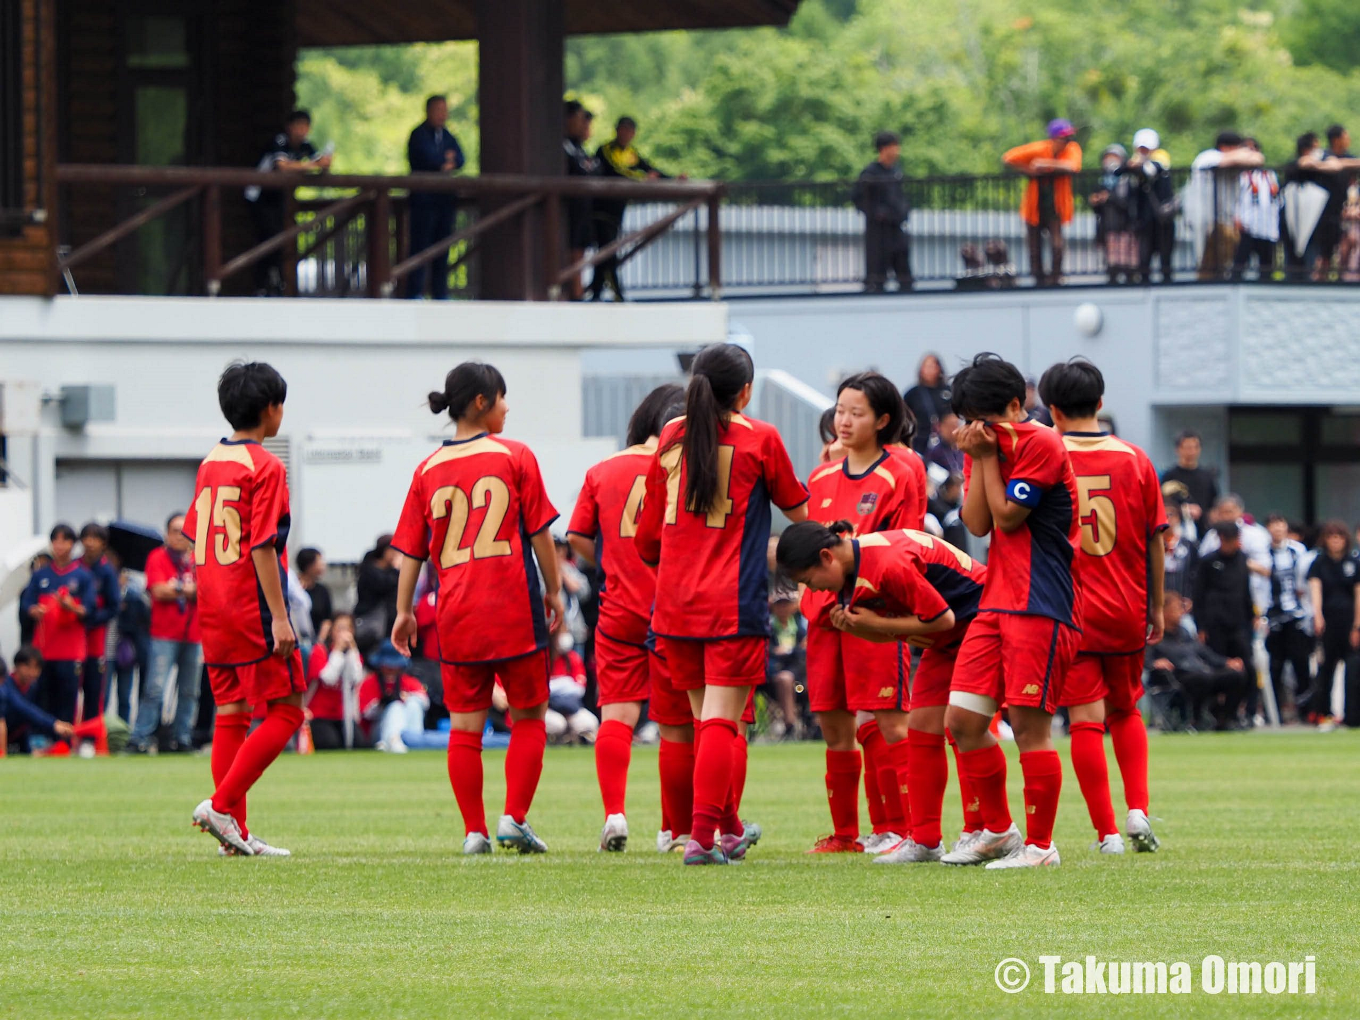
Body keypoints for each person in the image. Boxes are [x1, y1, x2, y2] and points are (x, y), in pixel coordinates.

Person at [634, 343, 809, 865]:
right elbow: (798, 511)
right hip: (731, 601)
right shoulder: (761, 437)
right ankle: (702, 838)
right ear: (746, 392)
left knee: (704, 720)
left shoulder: (671, 434)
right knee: (721, 723)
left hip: (674, 601)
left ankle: (728, 829)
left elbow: (647, 537)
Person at [390, 362, 564, 855]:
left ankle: (474, 831)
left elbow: (412, 552)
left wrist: (404, 611)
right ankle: (514, 817)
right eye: (503, 398)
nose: (508, 407)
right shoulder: (516, 455)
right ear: (482, 402)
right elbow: (540, 534)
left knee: (465, 727)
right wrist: (554, 589)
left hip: (457, 614)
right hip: (513, 608)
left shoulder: (427, 470)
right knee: (529, 714)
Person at [942, 353, 1082, 869]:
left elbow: (1007, 517)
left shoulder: (1041, 442)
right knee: (962, 721)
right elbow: (977, 523)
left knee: (1028, 727)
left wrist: (982, 458)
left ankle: (1042, 847)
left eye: (986, 416)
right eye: (969, 418)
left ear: (1016, 405)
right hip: (997, 599)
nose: (977, 427)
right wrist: (980, 456)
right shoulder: (981, 445)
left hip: (1041, 601)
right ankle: (999, 831)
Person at [777, 521, 986, 864]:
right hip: (947, 639)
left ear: (827, 557)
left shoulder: (887, 563)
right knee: (921, 729)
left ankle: (995, 830)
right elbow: (896, 632)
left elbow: (942, 618)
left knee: (969, 726)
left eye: (809, 581)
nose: (813, 590)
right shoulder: (852, 575)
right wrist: (862, 628)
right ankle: (926, 840)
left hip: (980, 622)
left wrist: (874, 625)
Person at [1040, 358, 1167, 855]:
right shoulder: (1135, 459)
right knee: (1126, 708)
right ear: (1100, 402)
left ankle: (1107, 833)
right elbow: (1155, 539)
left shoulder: (1045, 456)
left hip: (1069, 607)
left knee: (1085, 720)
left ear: (1052, 410)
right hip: (1126, 605)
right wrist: (1156, 606)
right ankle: (1138, 808)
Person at [800, 373, 921, 854]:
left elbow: (905, 549)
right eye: (840, 411)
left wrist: (864, 601)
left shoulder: (900, 472)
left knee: (890, 723)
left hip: (873, 617)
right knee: (835, 727)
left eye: (857, 413)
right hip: (823, 618)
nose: (844, 421)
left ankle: (908, 830)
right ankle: (845, 835)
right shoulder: (820, 478)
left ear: (883, 420)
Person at [186, 362, 303, 858]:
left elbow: (195, 534)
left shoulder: (210, 462)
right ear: (271, 409)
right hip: (249, 604)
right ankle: (221, 807)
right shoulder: (266, 465)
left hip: (213, 605)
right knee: (289, 708)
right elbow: (262, 545)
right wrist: (280, 616)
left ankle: (234, 835)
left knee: (232, 713)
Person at [567, 384, 687, 852]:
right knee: (677, 725)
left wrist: (611, 560)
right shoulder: (685, 464)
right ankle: (674, 827)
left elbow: (577, 536)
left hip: (619, 608)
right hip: (673, 608)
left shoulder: (603, 469)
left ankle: (615, 814)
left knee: (616, 716)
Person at [128, 513, 201, 754]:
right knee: (155, 688)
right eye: (175, 531)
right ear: (167, 534)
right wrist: (187, 589)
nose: (180, 536)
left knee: (190, 690)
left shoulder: (197, 559)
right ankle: (140, 736)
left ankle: (182, 737)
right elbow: (158, 591)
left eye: (184, 531)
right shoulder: (157, 557)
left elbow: (207, 591)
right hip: (164, 634)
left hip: (194, 634)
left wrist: (177, 589)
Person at [245, 109, 331, 296]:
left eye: (305, 126)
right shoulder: (280, 141)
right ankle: (263, 284)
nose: (302, 131)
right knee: (268, 237)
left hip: (279, 197)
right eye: (298, 126)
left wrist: (324, 163)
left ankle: (276, 283)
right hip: (258, 195)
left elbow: (318, 162)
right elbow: (282, 166)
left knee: (281, 238)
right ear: (289, 127)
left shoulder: (305, 145)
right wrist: (312, 166)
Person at [20, 523, 95, 724]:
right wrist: (34, 610)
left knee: (67, 699)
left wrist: (70, 606)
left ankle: (65, 737)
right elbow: (27, 604)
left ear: (73, 544)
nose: (60, 545)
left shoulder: (83, 576)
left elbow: (89, 610)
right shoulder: (40, 575)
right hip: (43, 649)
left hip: (70, 650)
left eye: (65, 540)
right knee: (42, 697)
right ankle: (42, 737)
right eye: (56, 540)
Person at [591, 116, 673, 301]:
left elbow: (649, 168)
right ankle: (616, 294)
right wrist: (642, 179)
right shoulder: (605, 150)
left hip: (618, 209)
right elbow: (615, 171)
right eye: (623, 129)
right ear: (616, 130)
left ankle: (596, 292)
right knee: (608, 249)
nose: (626, 134)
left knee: (606, 250)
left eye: (629, 131)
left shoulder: (631, 154)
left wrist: (672, 179)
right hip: (601, 208)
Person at [1146, 592, 1253, 730]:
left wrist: (1226, 662)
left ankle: (1225, 718)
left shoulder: (1184, 633)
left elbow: (1204, 652)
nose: (1181, 612)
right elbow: (1145, 660)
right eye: (1177, 608)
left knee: (1236, 675)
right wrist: (1155, 663)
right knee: (1201, 679)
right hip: (1176, 677)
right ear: (1164, 611)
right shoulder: (1154, 637)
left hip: (1201, 672)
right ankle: (1195, 719)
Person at [1003, 119, 1083, 287]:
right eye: (1064, 138)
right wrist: (1029, 170)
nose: (1068, 141)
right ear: (1053, 138)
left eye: (1069, 138)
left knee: (1057, 244)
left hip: (1056, 207)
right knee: (1034, 246)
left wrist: (1045, 164)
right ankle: (1038, 278)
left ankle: (1055, 277)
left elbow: (1073, 166)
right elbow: (1008, 157)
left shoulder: (1072, 149)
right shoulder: (1040, 148)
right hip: (1035, 206)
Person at [1193, 521, 1257, 724]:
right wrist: (1201, 626)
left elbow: (1246, 591)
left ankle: (1243, 712)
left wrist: (1252, 616)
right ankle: (1216, 712)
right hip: (1215, 625)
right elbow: (1199, 595)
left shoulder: (1242, 560)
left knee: (1248, 668)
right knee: (1218, 668)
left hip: (1238, 624)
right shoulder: (1208, 562)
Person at [406, 95, 465, 300]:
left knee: (442, 248)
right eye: (438, 110)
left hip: (444, 200)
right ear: (428, 111)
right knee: (420, 247)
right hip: (423, 201)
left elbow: (460, 158)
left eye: (445, 110)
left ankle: (440, 293)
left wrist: (447, 162)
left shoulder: (447, 136)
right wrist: (444, 161)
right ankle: (415, 292)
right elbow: (428, 158)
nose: (442, 114)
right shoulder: (418, 135)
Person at [1302, 522, 1360, 724]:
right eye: (1331, 537)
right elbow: (1315, 590)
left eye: (1339, 537)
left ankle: (1352, 715)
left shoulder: (1353, 563)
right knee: (1325, 668)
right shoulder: (1319, 563)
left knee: (1353, 669)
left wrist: (1357, 625)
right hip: (1328, 621)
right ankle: (1322, 713)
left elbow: (1358, 594)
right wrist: (1317, 616)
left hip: (1348, 621)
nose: (1335, 541)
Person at [1189, 131, 1264, 280]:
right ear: (1225, 147)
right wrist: (1245, 153)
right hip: (1204, 217)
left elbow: (1258, 159)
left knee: (1223, 260)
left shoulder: (1236, 161)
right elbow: (1231, 160)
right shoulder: (1208, 156)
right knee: (1205, 259)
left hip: (1225, 219)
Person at [1264, 513, 1312, 720]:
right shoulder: (1263, 553)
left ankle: (1306, 711)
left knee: (1301, 663)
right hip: (1273, 616)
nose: (1277, 528)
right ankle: (1275, 713)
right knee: (1275, 665)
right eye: (1273, 525)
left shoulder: (1298, 551)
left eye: (1280, 523)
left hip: (1297, 614)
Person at [852, 130, 913, 294]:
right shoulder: (870, 173)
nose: (897, 151)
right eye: (894, 147)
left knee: (905, 274)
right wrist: (877, 213)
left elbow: (900, 196)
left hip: (896, 228)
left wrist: (904, 211)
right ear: (884, 149)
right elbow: (858, 198)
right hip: (878, 232)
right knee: (877, 276)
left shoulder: (896, 172)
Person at [77, 523, 119, 724]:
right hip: (72, 637)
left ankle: (90, 733)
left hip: (95, 639)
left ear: (103, 543)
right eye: (86, 538)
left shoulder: (107, 571)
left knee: (93, 689)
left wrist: (90, 619)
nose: (90, 543)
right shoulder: (74, 566)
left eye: (95, 538)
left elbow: (113, 607)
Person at [306, 612, 365, 750]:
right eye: (340, 628)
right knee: (330, 743)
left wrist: (352, 651)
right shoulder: (320, 651)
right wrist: (338, 651)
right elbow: (329, 678)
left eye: (348, 628)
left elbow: (356, 678)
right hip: (320, 714)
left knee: (360, 744)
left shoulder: (353, 654)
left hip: (344, 715)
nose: (344, 633)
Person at [359, 641, 430, 753]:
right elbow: (365, 714)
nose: (391, 669)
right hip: (378, 731)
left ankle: (414, 741)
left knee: (413, 704)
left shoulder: (408, 681)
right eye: (387, 665)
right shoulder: (369, 683)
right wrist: (381, 704)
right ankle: (393, 741)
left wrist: (406, 697)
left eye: (394, 665)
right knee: (395, 707)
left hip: (406, 727)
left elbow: (425, 702)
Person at [2, 648, 76, 753]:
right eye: (28, 666)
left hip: (21, 736)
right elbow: (23, 708)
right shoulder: (5, 685)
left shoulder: (34, 687)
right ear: (17, 665)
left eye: (37, 668)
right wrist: (54, 724)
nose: (32, 672)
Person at [1088, 144, 1141, 283]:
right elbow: (1097, 208)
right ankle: (1113, 276)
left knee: (1127, 255)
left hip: (1126, 223)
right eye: (1108, 157)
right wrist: (1096, 201)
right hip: (1108, 224)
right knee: (1112, 256)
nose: (1110, 161)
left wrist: (1110, 197)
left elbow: (1128, 202)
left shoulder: (1127, 179)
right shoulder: (1102, 180)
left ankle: (1130, 277)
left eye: (1114, 157)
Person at [1129, 129, 1177, 282]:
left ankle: (1166, 279)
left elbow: (1151, 170)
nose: (1143, 152)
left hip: (1162, 218)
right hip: (1144, 218)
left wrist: (1137, 165)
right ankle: (1144, 279)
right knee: (1144, 253)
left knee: (1165, 253)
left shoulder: (1161, 159)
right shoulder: (1134, 162)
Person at [563, 101, 599, 301]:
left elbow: (594, 169)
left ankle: (579, 289)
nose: (582, 124)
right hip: (569, 209)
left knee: (581, 248)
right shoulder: (564, 146)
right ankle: (575, 291)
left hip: (584, 207)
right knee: (574, 248)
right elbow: (579, 169)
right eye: (579, 119)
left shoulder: (578, 148)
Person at [1232, 139, 1280, 281]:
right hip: (1247, 225)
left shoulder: (1269, 174)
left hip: (1268, 226)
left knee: (1266, 267)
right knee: (1239, 264)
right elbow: (1233, 198)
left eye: (1254, 149)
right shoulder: (1239, 175)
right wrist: (1236, 217)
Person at [1159, 431, 1219, 535]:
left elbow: (1214, 504)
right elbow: (1163, 504)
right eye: (1187, 447)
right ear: (1178, 449)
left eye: (1195, 447)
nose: (1192, 451)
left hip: (1203, 531)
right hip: (1176, 531)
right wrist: (1185, 510)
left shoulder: (1207, 477)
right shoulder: (1169, 476)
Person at [354, 536, 400, 652]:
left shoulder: (391, 572)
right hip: (371, 624)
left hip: (388, 624)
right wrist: (398, 569)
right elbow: (383, 585)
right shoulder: (369, 569)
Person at [902, 353, 950, 454]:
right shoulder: (912, 394)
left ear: (939, 369)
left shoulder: (949, 391)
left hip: (946, 442)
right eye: (926, 367)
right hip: (919, 441)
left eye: (932, 366)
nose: (929, 370)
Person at [294, 548, 331, 642]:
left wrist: (320, 641)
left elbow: (327, 619)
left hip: (316, 640)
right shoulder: (294, 589)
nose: (323, 565)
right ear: (309, 565)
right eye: (319, 561)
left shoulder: (322, 590)